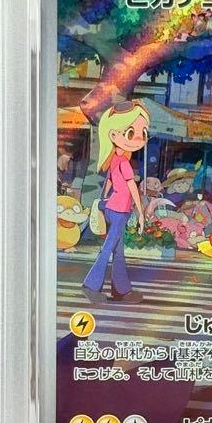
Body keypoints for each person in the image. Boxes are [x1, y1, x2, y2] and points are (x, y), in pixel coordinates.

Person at [82, 101, 149, 305]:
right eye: (131, 133)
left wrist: (103, 201)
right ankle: (91, 285)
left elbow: (109, 182)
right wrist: (141, 214)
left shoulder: (114, 160)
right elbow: (132, 189)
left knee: (118, 251)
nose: (139, 138)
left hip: (112, 207)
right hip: (120, 211)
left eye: (143, 132)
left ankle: (121, 290)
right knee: (108, 248)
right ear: (113, 134)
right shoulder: (125, 163)